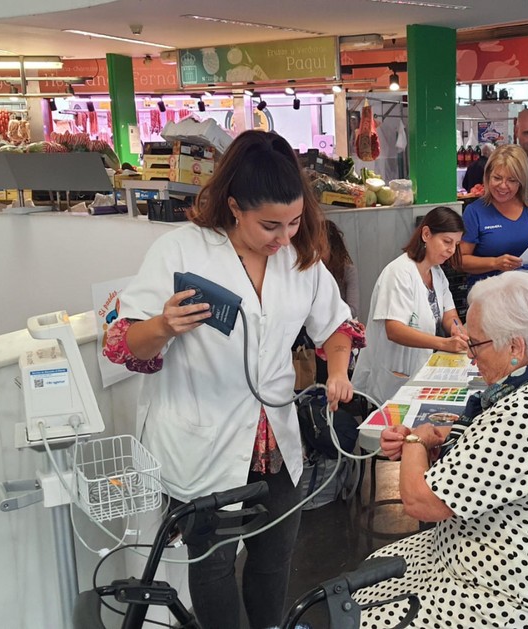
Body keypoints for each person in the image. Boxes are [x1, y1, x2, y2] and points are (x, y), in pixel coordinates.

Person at [103, 130, 358, 629]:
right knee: (213, 563)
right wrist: (162, 326)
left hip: (276, 440)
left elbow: (338, 327)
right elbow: (125, 346)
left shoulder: (298, 257)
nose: (283, 237)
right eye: (269, 225)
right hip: (203, 437)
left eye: (293, 222)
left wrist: (338, 371)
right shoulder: (181, 251)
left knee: (274, 557)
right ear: (235, 207)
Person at [354, 271, 528, 629]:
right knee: (368, 582)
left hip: (518, 590)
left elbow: (421, 503)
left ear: (515, 347)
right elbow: (495, 458)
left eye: (477, 345)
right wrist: (441, 439)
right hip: (485, 551)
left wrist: (417, 441)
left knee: (370, 615)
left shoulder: (527, 414)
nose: (470, 356)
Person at [351, 206, 468, 405]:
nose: (451, 250)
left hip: (420, 372)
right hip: (392, 378)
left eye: (456, 244)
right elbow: (394, 330)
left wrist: (458, 332)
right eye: (447, 241)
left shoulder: (437, 274)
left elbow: (450, 315)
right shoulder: (399, 273)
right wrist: (443, 343)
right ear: (426, 234)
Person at [459, 144, 528, 286]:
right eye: (497, 178)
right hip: (491, 292)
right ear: (487, 176)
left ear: (521, 181)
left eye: (512, 180)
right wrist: (495, 263)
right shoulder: (474, 212)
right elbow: (461, 260)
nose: (503, 186)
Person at [322, 219, 359, 319]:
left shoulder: (347, 271)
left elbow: (353, 310)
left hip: (341, 324)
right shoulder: (307, 272)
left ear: (333, 248)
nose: (316, 254)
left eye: (321, 248)